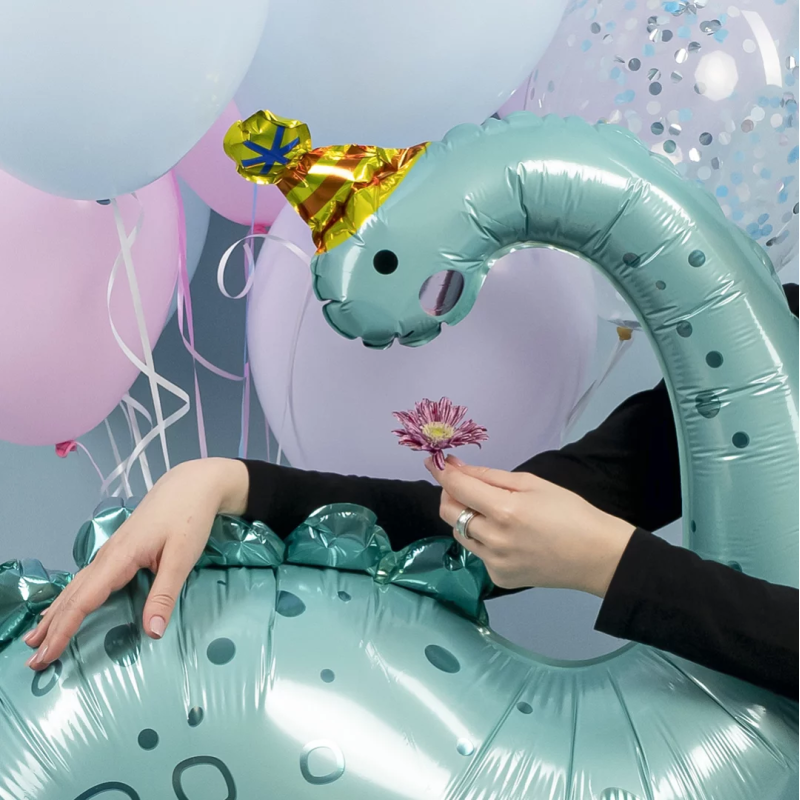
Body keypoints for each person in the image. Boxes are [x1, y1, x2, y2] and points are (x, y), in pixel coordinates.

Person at [24, 285, 799, 701]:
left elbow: (586, 539)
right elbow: (486, 520)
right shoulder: (777, 340)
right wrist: (227, 483)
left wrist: (610, 563)